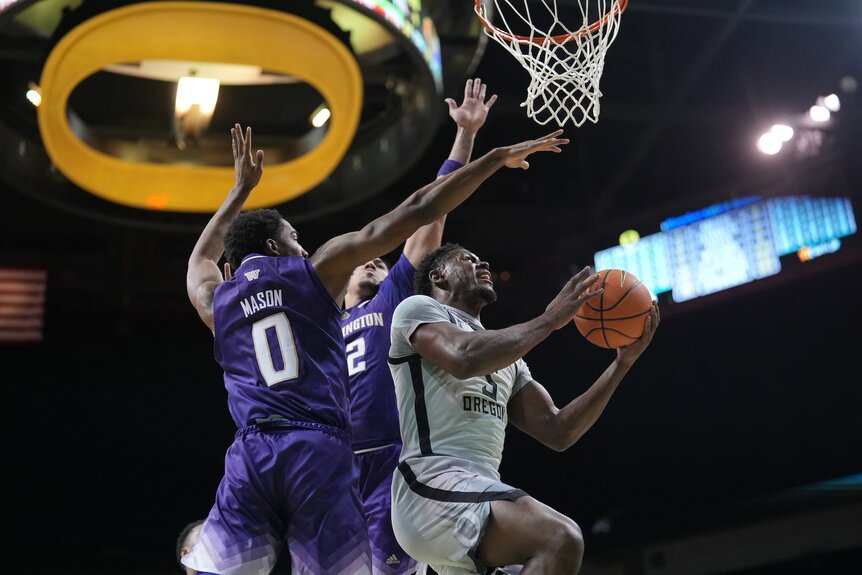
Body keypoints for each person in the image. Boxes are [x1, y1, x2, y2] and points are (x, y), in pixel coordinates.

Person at [182, 124, 568, 575]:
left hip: (263, 450)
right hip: (320, 449)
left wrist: (239, 192)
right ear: (275, 246)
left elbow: (199, 262)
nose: (302, 246)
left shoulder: (220, 301)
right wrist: (493, 156)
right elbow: (419, 207)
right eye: (294, 238)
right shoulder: (315, 275)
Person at [388, 244, 660, 575]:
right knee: (559, 539)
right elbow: (463, 357)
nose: (483, 261)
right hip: (430, 487)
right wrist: (549, 320)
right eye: (468, 259)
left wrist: (622, 364)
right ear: (438, 275)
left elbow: (558, 430)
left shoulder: (509, 360)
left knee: (551, 556)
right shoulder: (417, 309)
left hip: (475, 497)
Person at [342, 78, 496, 575]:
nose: (374, 264)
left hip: (392, 459)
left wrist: (465, 138)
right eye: (365, 263)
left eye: (383, 264)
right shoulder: (320, 322)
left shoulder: (392, 303)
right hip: (332, 462)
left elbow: (432, 216)